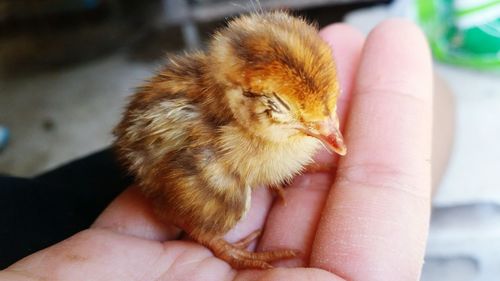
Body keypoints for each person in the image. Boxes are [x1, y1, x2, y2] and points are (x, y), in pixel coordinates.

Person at [0, 19, 433, 280]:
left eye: (328, 105)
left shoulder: (271, 118)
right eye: (282, 107)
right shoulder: (216, 151)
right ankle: (205, 229)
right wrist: (221, 244)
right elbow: (181, 162)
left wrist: (304, 121)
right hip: (176, 166)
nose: (332, 133)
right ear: (240, 93)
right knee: (219, 203)